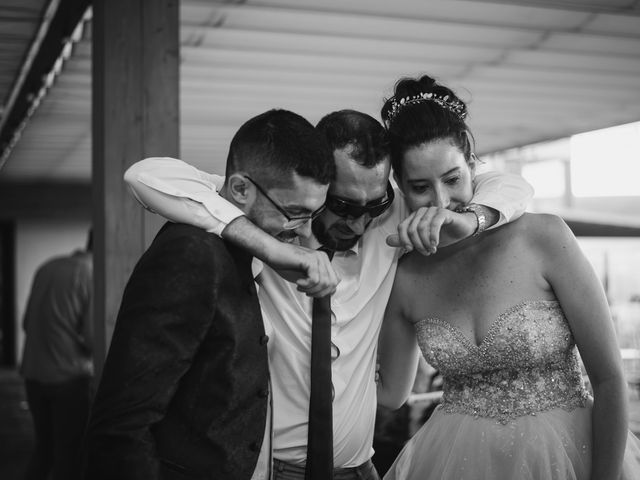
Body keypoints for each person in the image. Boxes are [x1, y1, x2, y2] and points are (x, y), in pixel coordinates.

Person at [123, 108, 533, 479]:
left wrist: (471, 220)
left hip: (360, 469)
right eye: (343, 205)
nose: (357, 223)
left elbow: (509, 185)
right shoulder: (268, 213)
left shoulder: (394, 220)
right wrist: (271, 248)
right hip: (269, 471)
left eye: (374, 205)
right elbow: (145, 175)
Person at [376, 75, 640, 480]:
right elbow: (390, 394)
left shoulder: (543, 236)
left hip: (568, 455)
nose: (441, 203)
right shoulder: (406, 273)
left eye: (452, 179)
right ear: (399, 186)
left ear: (471, 162)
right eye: (420, 188)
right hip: (454, 460)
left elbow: (608, 379)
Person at [84, 109, 337, 480]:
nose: (303, 232)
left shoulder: (244, 248)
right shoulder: (192, 254)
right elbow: (121, 425)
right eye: (295, 213)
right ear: (239, 190)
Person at [20, 229, 93, 480]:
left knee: (43, 452)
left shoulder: (47, 267)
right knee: (68, 459)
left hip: (33, 375)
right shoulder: (91, 273)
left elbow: (26, 323)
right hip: (68, 380)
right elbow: (93, 339)